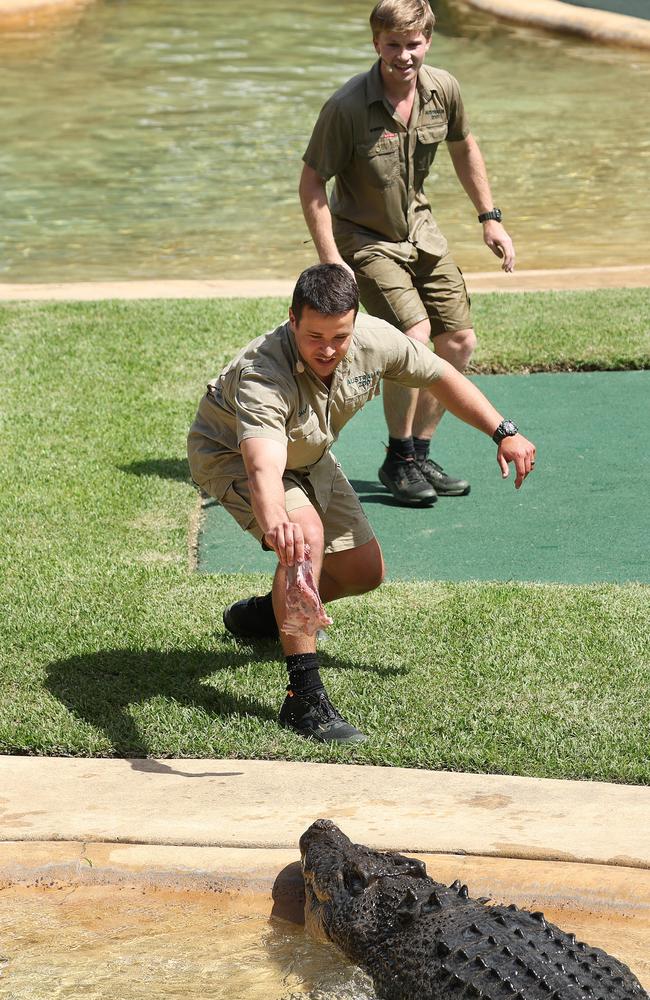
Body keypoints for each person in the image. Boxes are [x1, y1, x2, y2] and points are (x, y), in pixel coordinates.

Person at [187, 264, 535, 745]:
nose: (327, 349)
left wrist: (504, 431)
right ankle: (303, 698)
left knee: (362, 571)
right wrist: (277, 524)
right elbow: (262, 468)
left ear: (354, 321)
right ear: (292, 319)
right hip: (232, 455)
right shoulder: (261, 374)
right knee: (305, 537)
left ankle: (265, 616)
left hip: (307, 452)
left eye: (339, 336)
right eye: (314, 336)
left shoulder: (375, 339)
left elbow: (439, 375)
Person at [299, 0, 515, 507]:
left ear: (428, 42)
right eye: (392, 44)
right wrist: (332, 259)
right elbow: (312, 181)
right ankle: (398, 456)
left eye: (413, 44)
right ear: (377, 44)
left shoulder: (444, 90)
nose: (403, 55)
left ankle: (419, 452)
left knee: (458, 341)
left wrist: (490, 218)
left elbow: (464, 146)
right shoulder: (348, 106)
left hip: (422, 229)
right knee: (414, 336)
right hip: (364, 239)